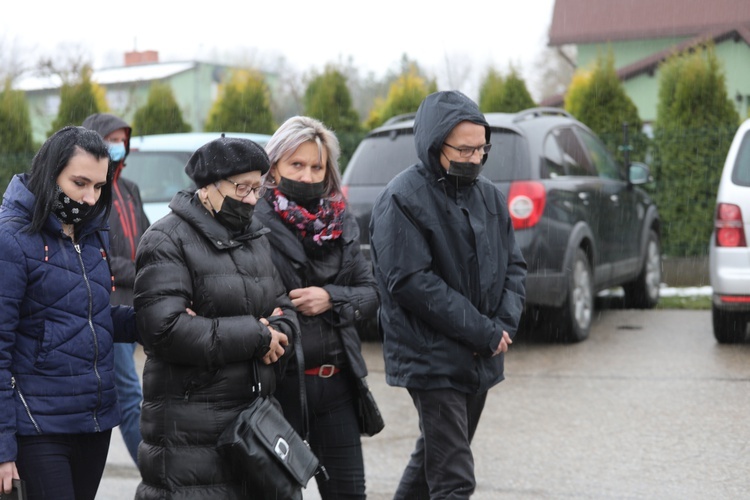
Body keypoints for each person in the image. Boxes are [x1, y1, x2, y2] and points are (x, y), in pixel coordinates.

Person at [369, 90, 527, 499]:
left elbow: (515, 266)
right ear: (435, 145)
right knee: (454, 478)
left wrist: (502, 327)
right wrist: (483, 332)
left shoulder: (490, 197)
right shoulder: (402, 198)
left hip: (480, 354)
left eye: (481, 149)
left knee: (432, 463)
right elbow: (411, 282)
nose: (475, 158)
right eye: (465, 149)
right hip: (431, 358)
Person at [133, 136, 299, 499]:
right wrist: (258, 335)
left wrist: (278, 333)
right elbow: (166, 330)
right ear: (207, 187)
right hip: (189, 435)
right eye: (243, 188)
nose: (253, 199)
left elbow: (284, 308)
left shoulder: (255, 237)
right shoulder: (165, 240)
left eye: (258, 188)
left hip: (254, 427)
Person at [0, 126, 138, 500]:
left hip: (93, 425)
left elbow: (93, 319)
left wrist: (159, 315)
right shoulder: (10, 239)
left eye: (98, 186)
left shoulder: (93, 234)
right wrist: (2, 449)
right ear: (50, 171)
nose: (90, 198)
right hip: (37, 428)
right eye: (79, 183)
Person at [255, 116, 379, 499]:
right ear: (273, 166)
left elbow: (372, 292)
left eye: (316, 167)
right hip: (279, 387)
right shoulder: (253, 222)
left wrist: (331, 298)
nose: (307, 176)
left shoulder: (342, 221)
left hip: (337, 382)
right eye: (297, 164)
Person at [82, 112, 149, 467]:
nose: (119, 146)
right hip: (111, 306)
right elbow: (99, 257)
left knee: (143, 391)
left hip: (139, 302)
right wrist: (141, 273)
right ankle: (150, 468)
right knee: (128, 392)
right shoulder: (92, 193)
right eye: (112, 139)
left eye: (124, 139)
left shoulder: (129, 189)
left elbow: (150, 239)